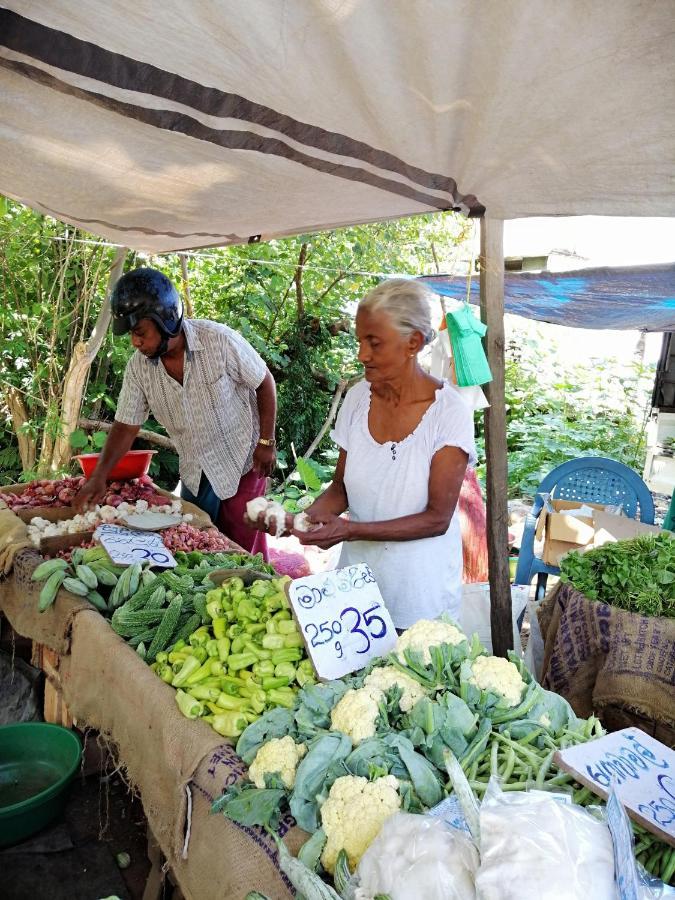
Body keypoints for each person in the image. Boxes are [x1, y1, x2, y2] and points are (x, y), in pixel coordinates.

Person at [251, 279, 476, 626]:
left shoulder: (449, 413)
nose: (362, 355)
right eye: (360, 341)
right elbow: (341, 489)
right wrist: (298, 521)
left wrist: (348, 530)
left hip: (418, 599)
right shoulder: (358, 399)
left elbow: (436, 518)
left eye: (374, 343)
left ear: (412, 342)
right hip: (357, 590)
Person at [74, 267, 277, 557]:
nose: (135, 342)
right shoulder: (139, 368)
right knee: (198, 546)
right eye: (132, 335)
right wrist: (100, 476)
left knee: (244, 549)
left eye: (140, 332)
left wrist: (266, 443)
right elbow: (125, 424)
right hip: (195, 470)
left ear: (166, 320)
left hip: (242, 461)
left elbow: (264, 381)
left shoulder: (219, 341)